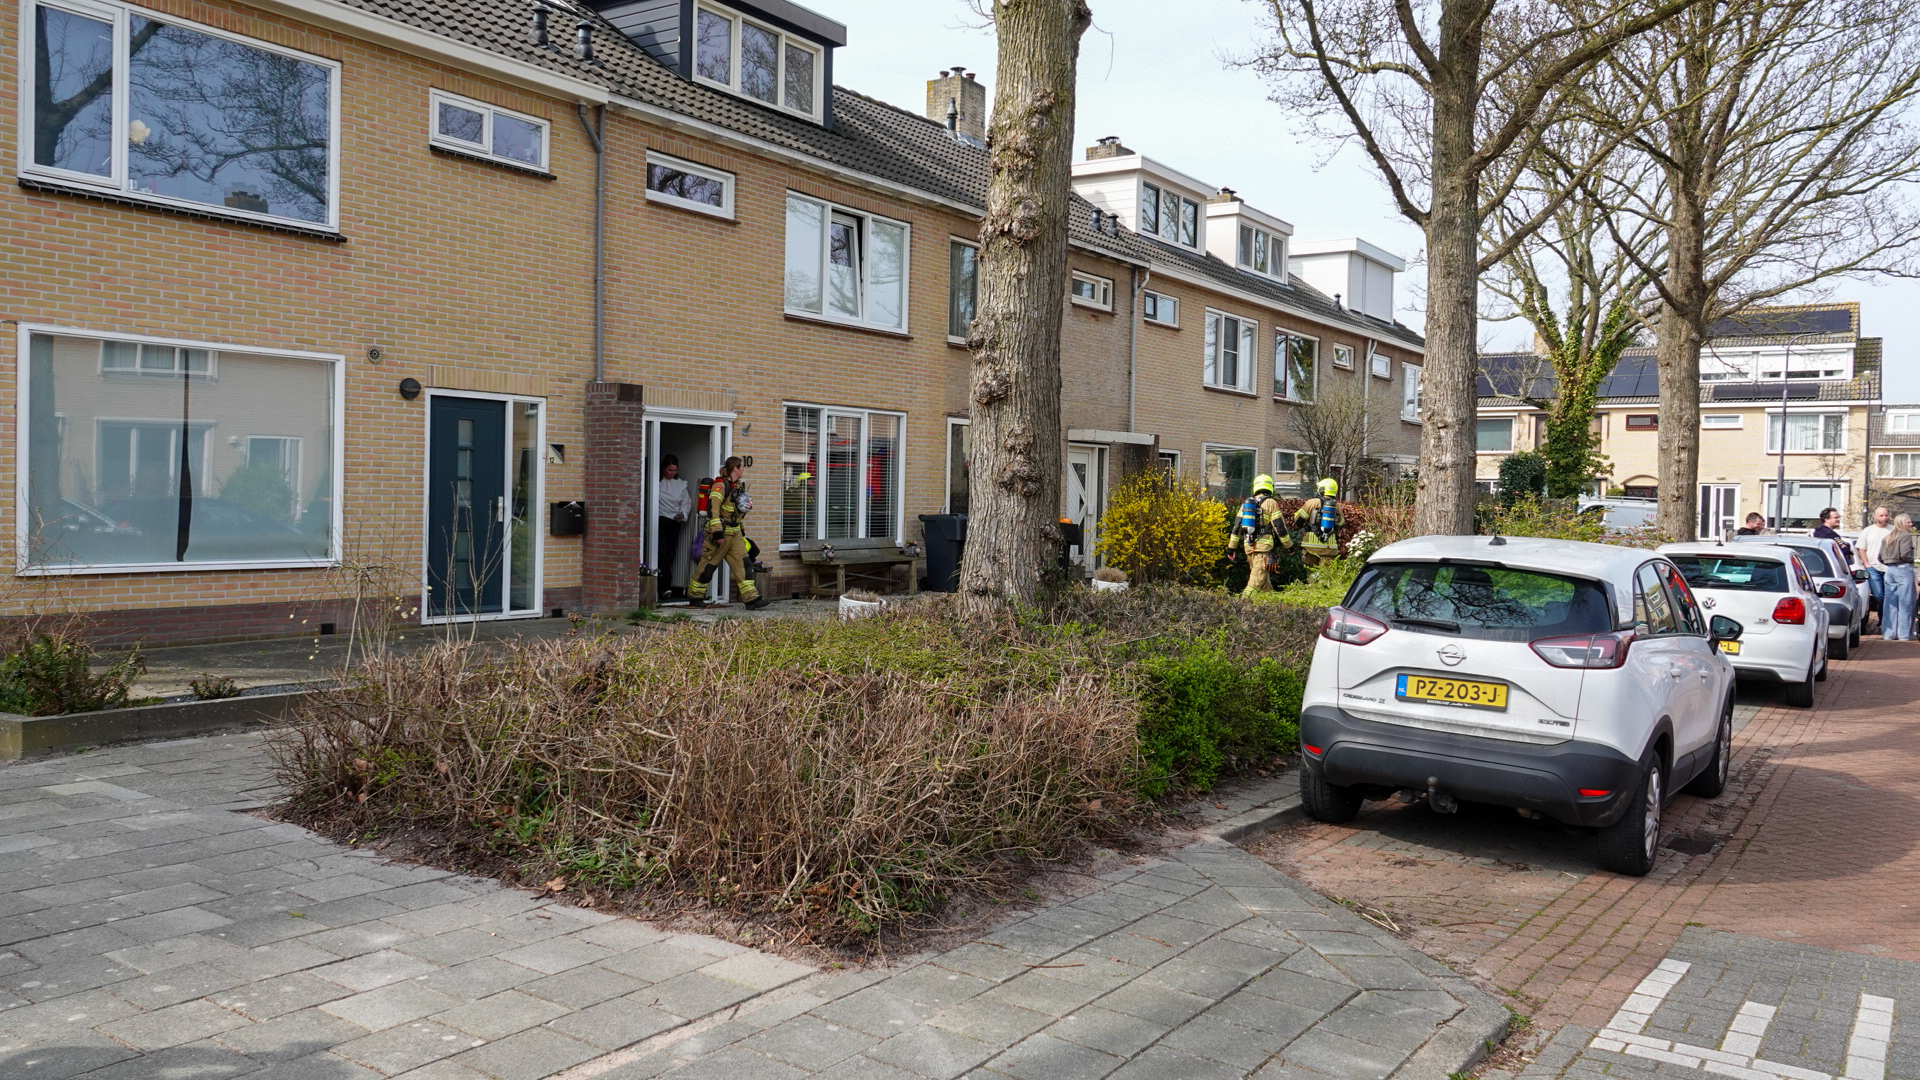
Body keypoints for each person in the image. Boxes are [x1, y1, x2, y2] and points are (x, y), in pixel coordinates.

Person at [688, 456, 769, 610]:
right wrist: (717, 533)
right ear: (735, 469)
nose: (744, 469)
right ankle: (695, 596)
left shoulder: (737, 486)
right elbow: (714, 509)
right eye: (742, 467)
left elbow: (737, 512)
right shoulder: (720, 485)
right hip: (721, 535)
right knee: (708, 566)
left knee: (744, 565)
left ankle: (751, 599)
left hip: (735, 534)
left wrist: (742, 531)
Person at [1227, 475, 1286, 595]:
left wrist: (1231, 548)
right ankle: (1242, 605)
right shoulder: (1271, 503)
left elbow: (1237, 527)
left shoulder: (1246, 504)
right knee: (1255, 582)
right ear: (1270, 487)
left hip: (1249, 547)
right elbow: (1280, 527)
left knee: (1264, 583)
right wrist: (1289, 546)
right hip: (1263, 549)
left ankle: (1270, 608)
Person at [656, 456, 692, 599]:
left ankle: (665, 586)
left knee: (670, 555)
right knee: (661, 554)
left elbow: (686, 502)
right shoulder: (656, 482)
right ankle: (662, 587)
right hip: (659, 520)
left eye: (674, 470)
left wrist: (682, 514)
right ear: (663, 469)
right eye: (669, 470)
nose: (672, 473)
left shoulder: (680, 485)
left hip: (674, 522)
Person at [1882, 514, 1917, 641]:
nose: (1911, 524)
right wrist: (1912, 561)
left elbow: (1880, 557)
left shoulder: (1888, 536)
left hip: (1889, 570)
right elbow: (1905, 554)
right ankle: (1904, 634)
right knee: (1906, 602)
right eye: (1908, 522)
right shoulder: (1905, 536)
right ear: (1903, 523)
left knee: (1890, 603)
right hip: (1903, 569)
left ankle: (1889, 634)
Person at [1859, 506, 1893, 634]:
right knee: (1879, 595)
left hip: (1889, 568)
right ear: (1875, 517)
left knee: (1888, 596)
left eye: (1886, 515)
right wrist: (1866, 564)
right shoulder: (1868, 531)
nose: (1884, 518)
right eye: (1881, 515)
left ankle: (1883, 622)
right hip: (1873, 567)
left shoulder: (1893, 530)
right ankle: (1884, 620)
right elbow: (1861, 548)